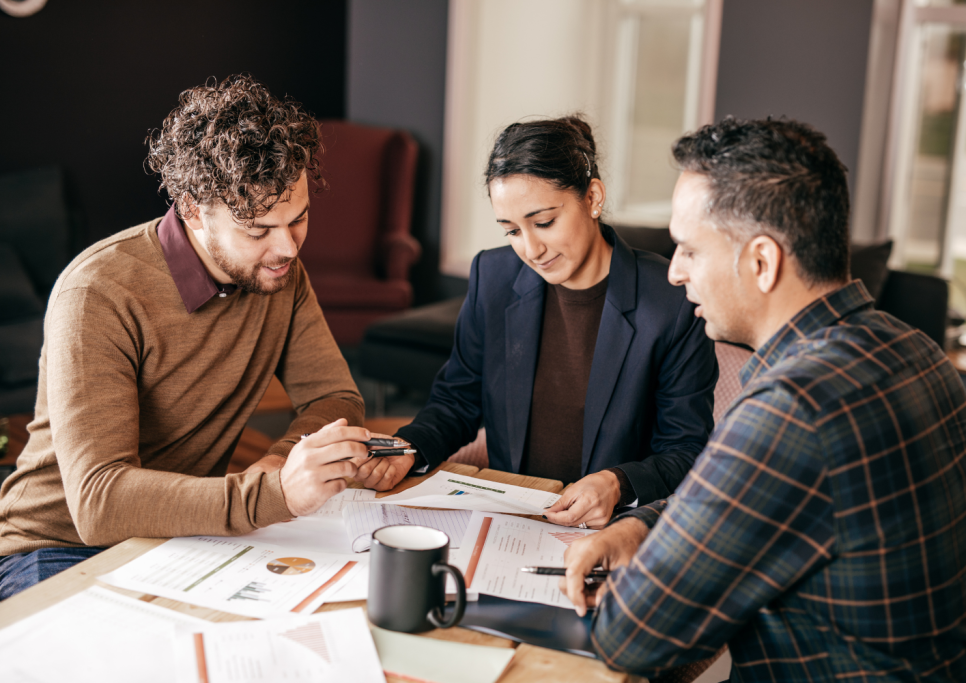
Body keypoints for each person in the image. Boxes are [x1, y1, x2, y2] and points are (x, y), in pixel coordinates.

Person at [561, 118, 966, 681]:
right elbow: (757, 497)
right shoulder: (911, 349)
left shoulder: (794, 407)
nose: (674, 273)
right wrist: (644, 524)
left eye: (689, 250)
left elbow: (634, 638)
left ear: (762, 261)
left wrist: (644, 573)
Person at [0, 75, 381, 600]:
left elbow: (334, 397)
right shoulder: (99, 291)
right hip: (54, 546)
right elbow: (100, 502)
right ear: (193, 208)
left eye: (298, 220)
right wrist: (271, 494)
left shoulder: (280, 274)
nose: (288, 249)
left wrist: (282, 460)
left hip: (182, 535)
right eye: (257, 230)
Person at [372, 116, 718, 529]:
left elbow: (685, 449)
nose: (531, 249)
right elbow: (457, 401)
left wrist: (617, 483)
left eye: (544, 222)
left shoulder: (670, 301)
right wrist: (407, 448)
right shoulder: (493, 277)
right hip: (509, 520)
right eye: (512, 231)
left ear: (592, 197)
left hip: (613, 529)